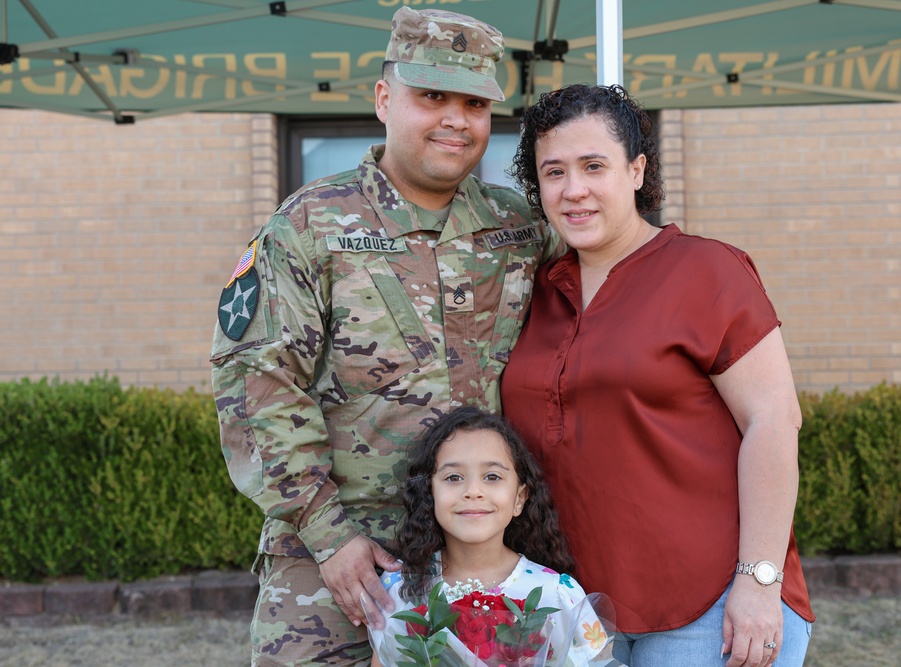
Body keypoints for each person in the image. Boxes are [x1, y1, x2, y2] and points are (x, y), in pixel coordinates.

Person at [209, 8, 561, 666]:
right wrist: (329, 534)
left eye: (474, 102)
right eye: (432, 96)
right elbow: (256, 386)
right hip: (341, 566)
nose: (455, 118)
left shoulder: (521, 229)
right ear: (383, 99)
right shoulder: (310, 226)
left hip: (485, 554)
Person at [500, 84, 815, 667]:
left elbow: (774, 420)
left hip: (709, 605)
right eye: (554, 172)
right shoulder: (532, 291)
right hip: (573, 610)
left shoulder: (707, 270)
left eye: (594, 166)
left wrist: (760, 580)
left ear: (637, 169)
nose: (574, 190)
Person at [365, 406, 614, 667]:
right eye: (453, 477)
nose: (473, 491)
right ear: (430, 495)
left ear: (519, 499)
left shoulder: (559, 594)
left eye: (492, 477)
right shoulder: (400, 588)